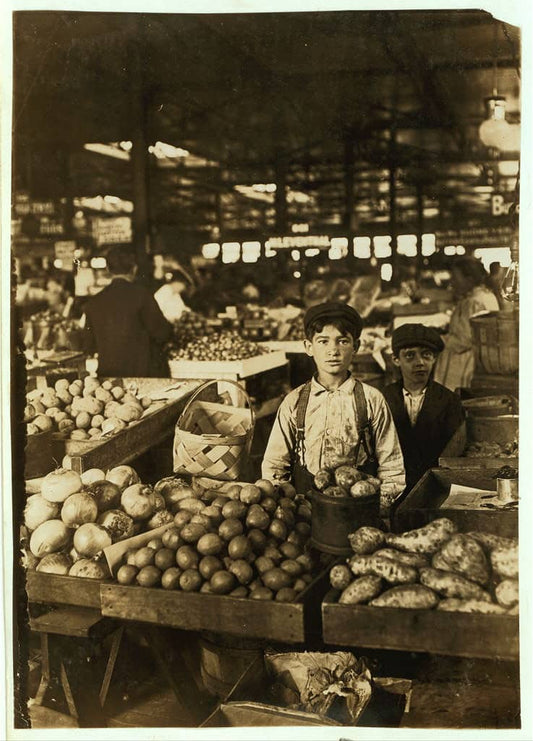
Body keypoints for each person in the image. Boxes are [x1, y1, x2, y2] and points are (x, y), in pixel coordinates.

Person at [261, 302, 406, 516]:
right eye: (323, 341)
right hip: (305, 512)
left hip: (358, 511)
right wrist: (284, 507)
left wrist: (380, 507)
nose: (333, 351)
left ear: (355, 346)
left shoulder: (371, 400)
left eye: (342, 341)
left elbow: (392, 466)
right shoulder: (294, 402)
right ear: (308, 347)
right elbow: (274, 464)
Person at [383, 324, 465, 493]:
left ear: (434, 359)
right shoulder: (382, 399)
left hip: (435, 489)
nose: (419, 362)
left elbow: (454, 455)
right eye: (410, 356)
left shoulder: (449, 401)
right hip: (392, 488)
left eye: (426, 355)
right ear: (396, 360)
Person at [82, 245, 172, 377]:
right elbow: (163, 333)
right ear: (134, 269)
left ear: (108, 269)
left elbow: (89, 345)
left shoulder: (93, 303)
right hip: (143, 375)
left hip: (109, 378)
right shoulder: (142, 296)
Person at [433, 256, 499, 390]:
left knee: (454, 399)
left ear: (469, 280)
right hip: (479, 361)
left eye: (456, 278)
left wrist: (435, 338)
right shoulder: (486, 296)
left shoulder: (473, 302)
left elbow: (463, 341)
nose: (452, 283)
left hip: (463, 364)